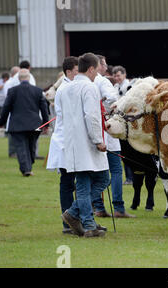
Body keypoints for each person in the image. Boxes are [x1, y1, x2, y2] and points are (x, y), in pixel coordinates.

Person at [60, 53, 110, 238]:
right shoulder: (89, 87)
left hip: (73, 143)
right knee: (104, 179)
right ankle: (74, 213)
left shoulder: (66, 88)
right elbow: (92, 116)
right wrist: (98, 140)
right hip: (88, 143)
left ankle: (86, 223)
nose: (97, 74)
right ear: (90, 69)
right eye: (96, 70)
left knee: (82, 184)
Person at [92, 55, 135, 218]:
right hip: (106, 130)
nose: (107, 67)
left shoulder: (84, 81)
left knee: (96, 171)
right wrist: (108, 110)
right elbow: (113, 99)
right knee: (116, 170)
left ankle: (99, 207)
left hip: (93, 131)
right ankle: (118, 208)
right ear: (99, 65)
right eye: (105, 64)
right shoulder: (101, 81)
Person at [46, 57, 79, 235]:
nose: (78, 73)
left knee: (70, 182)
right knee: (69, 183)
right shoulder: (67, 89)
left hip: (68, 140)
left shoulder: (68, 87)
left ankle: (72, 220)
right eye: (76, 70)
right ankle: (69, 221)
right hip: (67, 141)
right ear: (68, 72)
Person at [0, 69, 49, 177]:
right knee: (32, 146)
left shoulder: (12, 91)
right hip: (34, 124)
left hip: (17, 124)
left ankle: (26, 168)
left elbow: (6, 107)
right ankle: (27, 168)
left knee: (21, 147)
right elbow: (44, 109)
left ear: (19, 79)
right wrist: (46, 124)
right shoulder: (38, 91)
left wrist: (1, 122)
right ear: (29, 78)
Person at [112, 65, 133, 185]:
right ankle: (129, 177)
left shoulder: (129, 86)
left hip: (128, 123)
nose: (117, 78)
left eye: (119, 75)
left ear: (124, 75)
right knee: (123, 151)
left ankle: (131, 177)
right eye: (115, 76)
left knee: (129, 150)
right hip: (119, 122)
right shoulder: (116, 87)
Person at [1, 66, 20, 158]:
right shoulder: (9, 83)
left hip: (17, 109)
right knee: (11, 130)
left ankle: (17, 151)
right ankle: (12, 151)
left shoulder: (14, 82)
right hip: (11, 109)